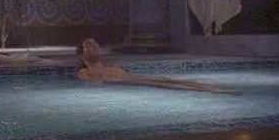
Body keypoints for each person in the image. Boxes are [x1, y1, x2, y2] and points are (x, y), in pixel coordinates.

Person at [77, 39, 238, 94]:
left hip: (135, 78)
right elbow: (95, 86)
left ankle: (213, 88)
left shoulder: (113, 66)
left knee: (167, 79)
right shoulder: (84, 72)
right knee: (162, 84)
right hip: (129, 83)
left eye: (94, 44)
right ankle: (213, 91)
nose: (92, 46)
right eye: (87, 46)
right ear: (82, 55)